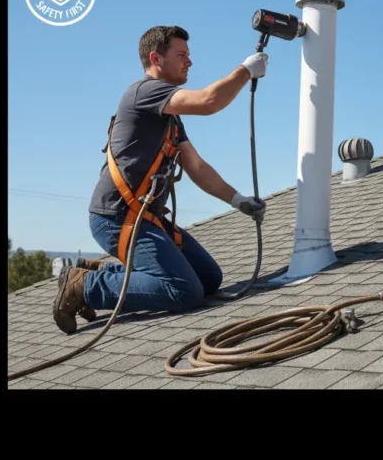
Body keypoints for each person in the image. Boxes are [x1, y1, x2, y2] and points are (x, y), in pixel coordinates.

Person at [52, 25, 269, 334]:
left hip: (144, 219)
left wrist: (238, 200)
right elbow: (209, 101)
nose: (190, 62)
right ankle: (84, 285)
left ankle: (95, 271)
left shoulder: (170, 116)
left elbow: (196, 166)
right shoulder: (145, 92)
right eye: (182, 55)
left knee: (209, 278)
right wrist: (245, 71)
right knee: (184, 290)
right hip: (116, 218)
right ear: (156, 58)